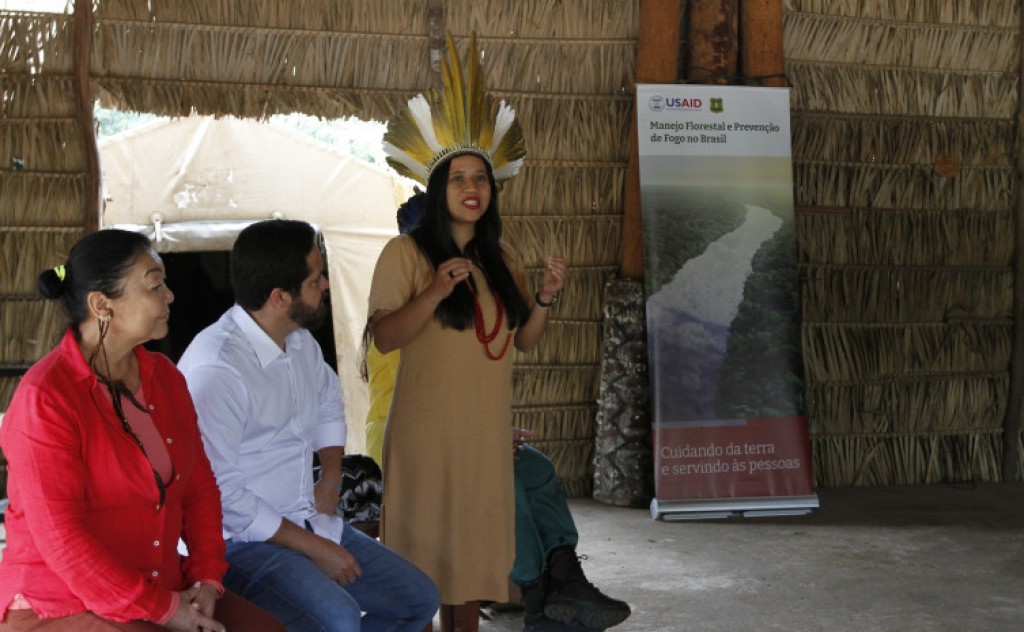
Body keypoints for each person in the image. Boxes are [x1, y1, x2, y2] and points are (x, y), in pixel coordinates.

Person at [368, 33, 568, 632]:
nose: (471, 187)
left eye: (480, 177)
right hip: (426, 434)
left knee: (473, 565)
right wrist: (432, 292)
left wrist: (546, 300)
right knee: (423, 557)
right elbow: (384, 339)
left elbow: (523, 342)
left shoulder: (504, 258)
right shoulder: (403, 254)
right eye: (457, 178)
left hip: (483, 435)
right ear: (437, 190)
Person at [363, 195, 631, 632]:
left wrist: (543, 300)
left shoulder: (469, 291)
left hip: (466, 430)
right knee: (498, 494)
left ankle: (563, 578)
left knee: (536, 469)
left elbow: (484, 367)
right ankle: (534, 589)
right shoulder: (410, 300)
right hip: (415, 436)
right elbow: (425, 390)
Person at [0, 229, 284, 632]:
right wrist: (167, 610)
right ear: (102, 305)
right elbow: (64, 543)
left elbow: (199, 489)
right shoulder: (45, 398)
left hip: (158, 583)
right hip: (60, 601)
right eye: (154, 285)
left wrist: (206, 579)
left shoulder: (164, 376)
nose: (169, 295)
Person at [177, 219, 439, 632]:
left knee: (418, 599)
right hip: (239, 542)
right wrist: (316, 547)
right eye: (317, 278)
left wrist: (331, 478)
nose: (327, 286)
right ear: (281, 296)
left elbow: (328, 403)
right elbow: (223, 497)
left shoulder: (298, 340)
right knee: (337, 617)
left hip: (307, 519)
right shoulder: (218, 368)